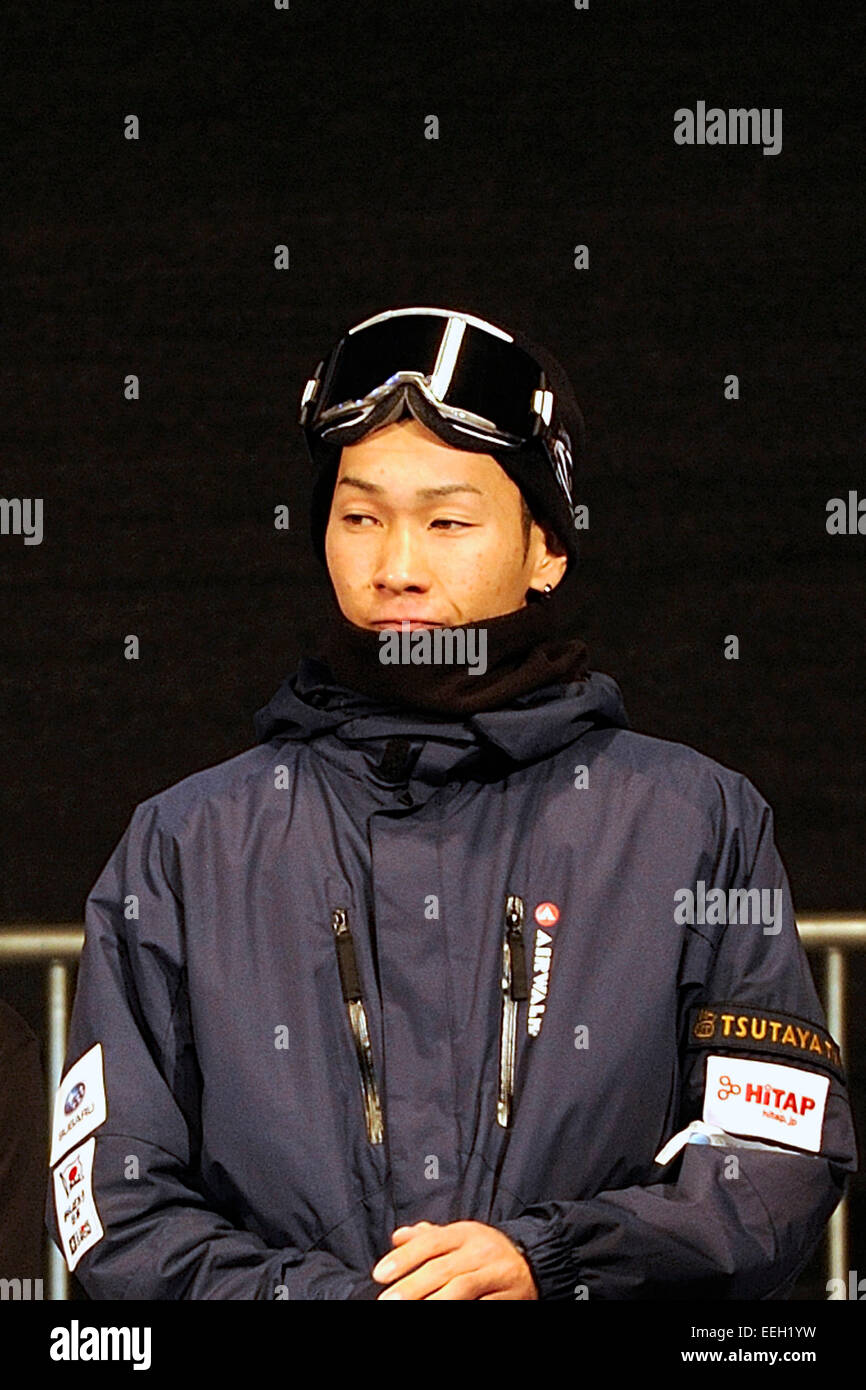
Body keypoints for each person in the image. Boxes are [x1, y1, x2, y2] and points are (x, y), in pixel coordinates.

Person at [46, 306, 857, 1299]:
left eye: (446, 520)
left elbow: (773, 1151)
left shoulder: (695, 822)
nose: (395, 565)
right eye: (359, 516)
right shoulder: (183, 844)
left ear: (544, 548)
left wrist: (550, 1261)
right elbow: (113, 1205)